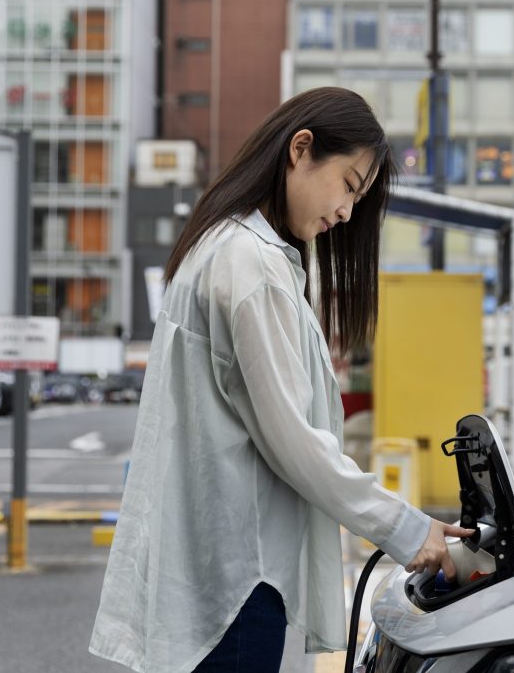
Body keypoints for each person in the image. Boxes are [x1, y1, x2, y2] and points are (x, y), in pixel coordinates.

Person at [89, 87, 473, 673]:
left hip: (207, 569)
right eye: (349, 183)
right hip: (237, 582)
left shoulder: (221, 245)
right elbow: (294, 441)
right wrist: (405, 527)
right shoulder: (253, 267)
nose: (347, 211)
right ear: (301, 150)